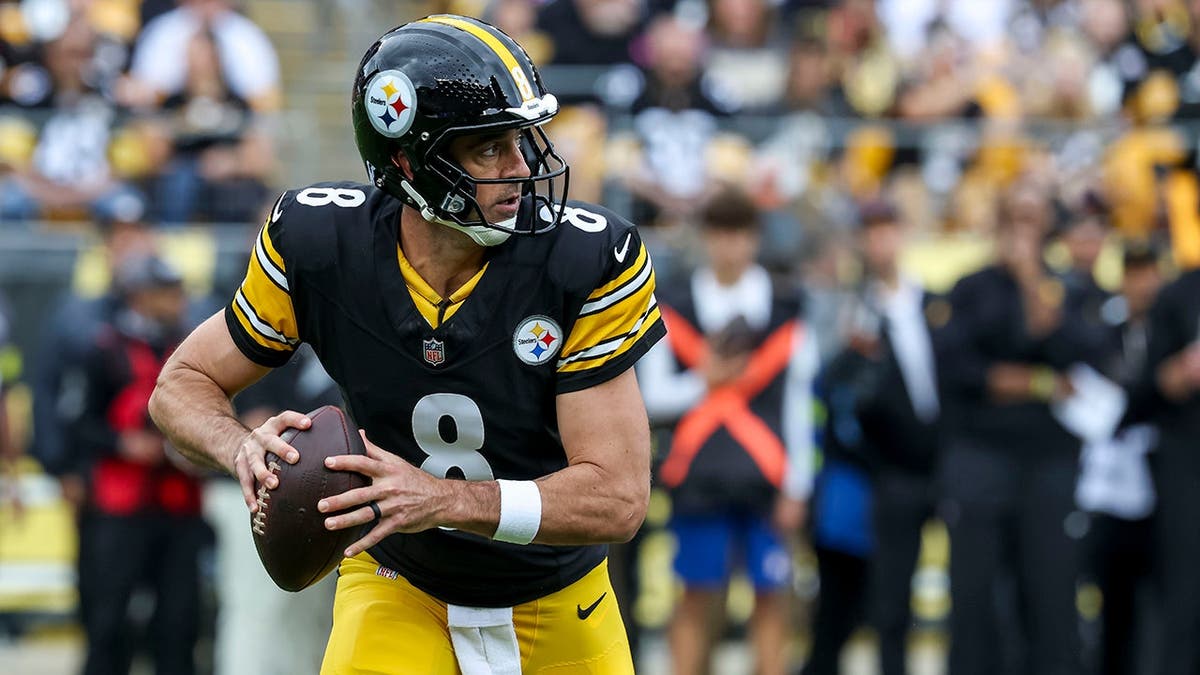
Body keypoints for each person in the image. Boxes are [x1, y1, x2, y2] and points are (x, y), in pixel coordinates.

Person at [149, 15, 665, 675]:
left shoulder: (585, 258)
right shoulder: (319, 242)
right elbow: (181, 383)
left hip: (559, 595)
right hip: (401, 584)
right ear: (407, 161)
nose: (521, 168)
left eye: (522, 140)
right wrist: (240, 447)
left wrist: (445, 499)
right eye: (488, 149)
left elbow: (618, 495)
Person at [638, 186, 817, 675]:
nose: (730, 246)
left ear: (755, 239)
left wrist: (797, 486)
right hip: (700, 474)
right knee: (695, 596)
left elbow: (800, 403)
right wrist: (706, 382)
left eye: (739, 233)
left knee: (772, 597)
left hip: (767, 478)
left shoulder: (786, 306)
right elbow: (652, 398)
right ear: (705, 238)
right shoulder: (671, 303)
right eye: (719, 233)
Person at [935, 184, 1110, 675]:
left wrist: (1032, 280)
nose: (1021, 230)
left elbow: (1081, 355)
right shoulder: (971, 287)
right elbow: (956, 367)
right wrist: (1037, 382)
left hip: (1048, 463)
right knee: (974, 593)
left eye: (1031, 219)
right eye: (1013, 217)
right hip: (980, 456)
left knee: (1050, 591)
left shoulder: (1065, 287)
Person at [73, 254, 207, 675]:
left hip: (179, 507)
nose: (179, 299)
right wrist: (121, 442)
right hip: (120, 508)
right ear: (140, 296)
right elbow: (77, 422)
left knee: (180, 621)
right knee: (109, 618)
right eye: (169, 291)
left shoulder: (193, 348)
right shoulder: (103, 349)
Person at [851, 201, 942, 675]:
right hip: (893, 470)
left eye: (888, 230)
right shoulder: (856, 313)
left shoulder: (934, 302)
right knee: (891, 598)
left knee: (979, 584)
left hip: (949, 462)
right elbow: (848, 397)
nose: (881, 242)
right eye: (872, 231)